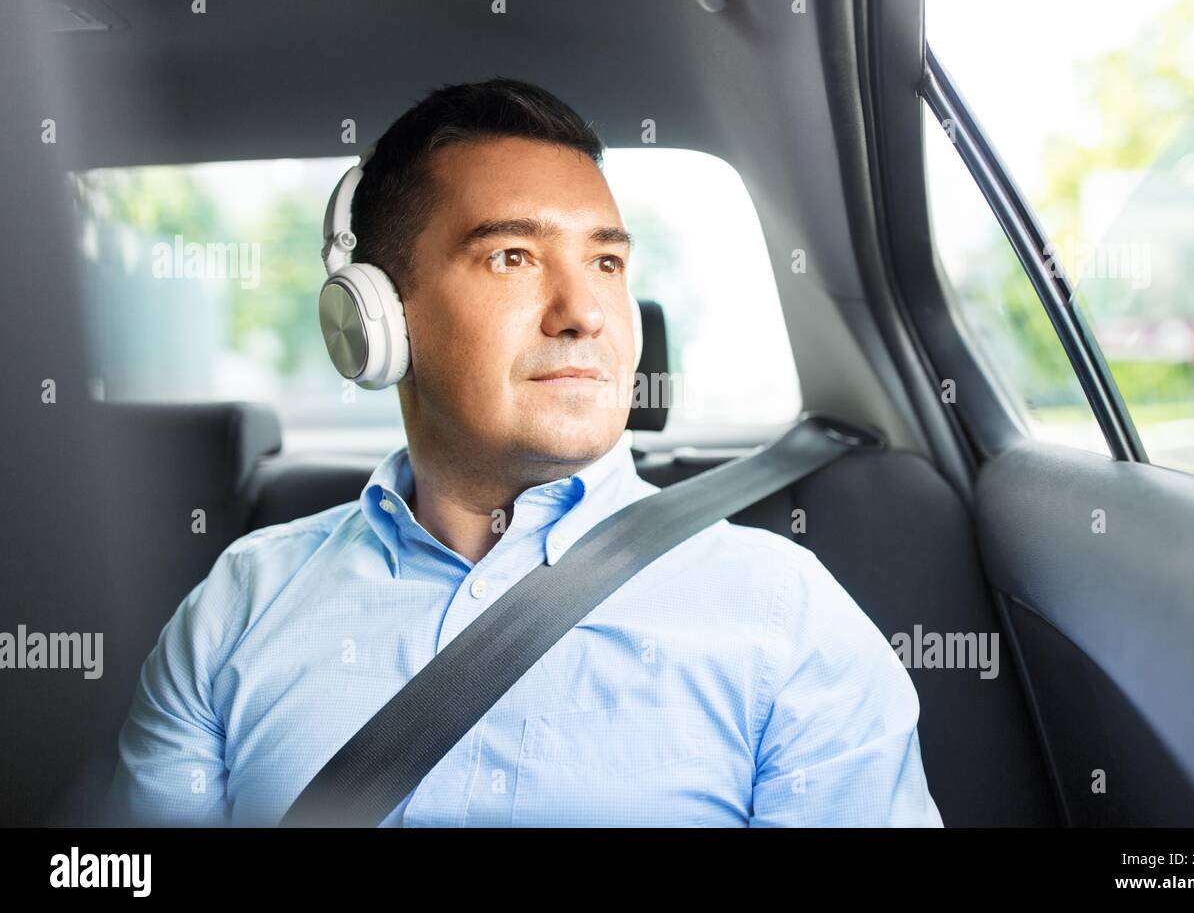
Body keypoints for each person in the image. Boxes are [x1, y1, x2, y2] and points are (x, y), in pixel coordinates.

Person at [106, 77, 944, 827]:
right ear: (378, 321)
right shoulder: (238, 608)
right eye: (512, 256)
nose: (585, 311)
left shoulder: (786, 619)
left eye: (607, 260)